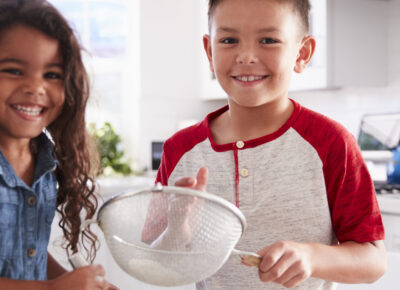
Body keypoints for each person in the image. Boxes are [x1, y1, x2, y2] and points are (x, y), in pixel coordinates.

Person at [154, 0, 387, 289]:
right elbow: (157, 260)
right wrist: (178, 229)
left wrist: (312, 256)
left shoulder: (332, 143)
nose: (246, 56)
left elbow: (373, 261)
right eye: (229, 40)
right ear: (209, 51)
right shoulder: (179, 150)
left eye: (268, 40)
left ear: (302, 53)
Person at [0, 0, 116, 289]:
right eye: (14, 70)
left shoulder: (45, 162)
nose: (35, 87)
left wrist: (72, 282)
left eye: (52, 75)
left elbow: (28, 255)